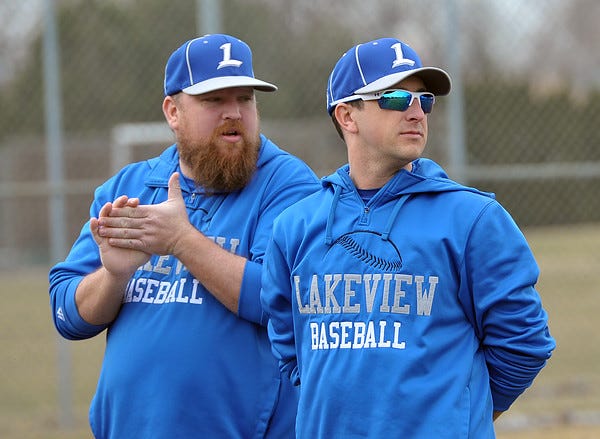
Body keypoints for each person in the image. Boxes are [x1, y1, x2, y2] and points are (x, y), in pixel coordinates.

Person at [260, 37, 555, 438]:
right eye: (396, 98)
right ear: (347, 116)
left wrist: (459, 415)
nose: (416, 112)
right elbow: (289, 346)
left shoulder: (472, 219)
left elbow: (523, 343)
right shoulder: (295, 226)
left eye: (424, 100)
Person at [49, 34, 320, 438]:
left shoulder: (287, 184)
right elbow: (67, 315)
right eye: (214, 100)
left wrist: (181, 241)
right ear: (173, 112)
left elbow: (282, 300)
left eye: (244, 98)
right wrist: (114, 277)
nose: (234, 113)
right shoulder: (132, 187)